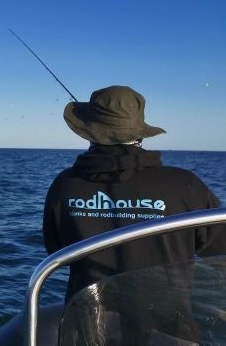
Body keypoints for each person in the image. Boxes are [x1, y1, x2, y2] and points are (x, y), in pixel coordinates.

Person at [42, 85, 224, 343]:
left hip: (91, 330)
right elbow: (220, 248)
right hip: (169, 332)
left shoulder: (65, 185)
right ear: (139, 134)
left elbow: (56, 250)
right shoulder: (185, 184)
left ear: (91, 132)